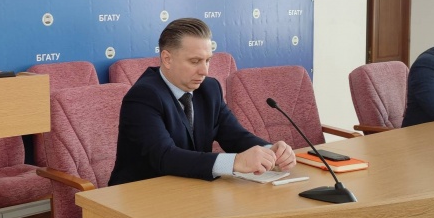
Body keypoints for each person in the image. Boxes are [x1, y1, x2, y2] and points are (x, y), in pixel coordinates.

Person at [109, 18, 296, 185]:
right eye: (195, 61)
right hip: (141, 195)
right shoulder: (143, 96)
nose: (205, 71)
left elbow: (235, 136)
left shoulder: (209, 88)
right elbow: (165, 157)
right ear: (167, 59)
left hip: (190, 188)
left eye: (207, 60)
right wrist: (235, 162)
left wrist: (270, 151)